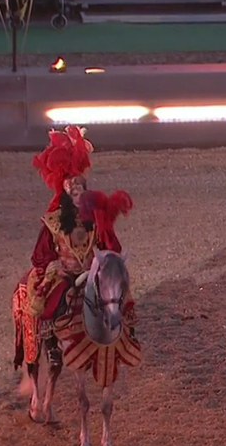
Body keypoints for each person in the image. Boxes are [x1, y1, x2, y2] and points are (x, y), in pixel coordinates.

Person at [12, 126, 139, 381]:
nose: (77, 187)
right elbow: (42, 252)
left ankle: (128, 332)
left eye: (80, 183)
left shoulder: (97, 215)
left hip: (91, 270)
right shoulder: (55, 219)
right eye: (72, 184)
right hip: (65, 272)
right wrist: (52, 267)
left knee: (120, 294)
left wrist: (110, 263)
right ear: (65, 187)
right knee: (45, 303)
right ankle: (50, 346)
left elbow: (108, 243)